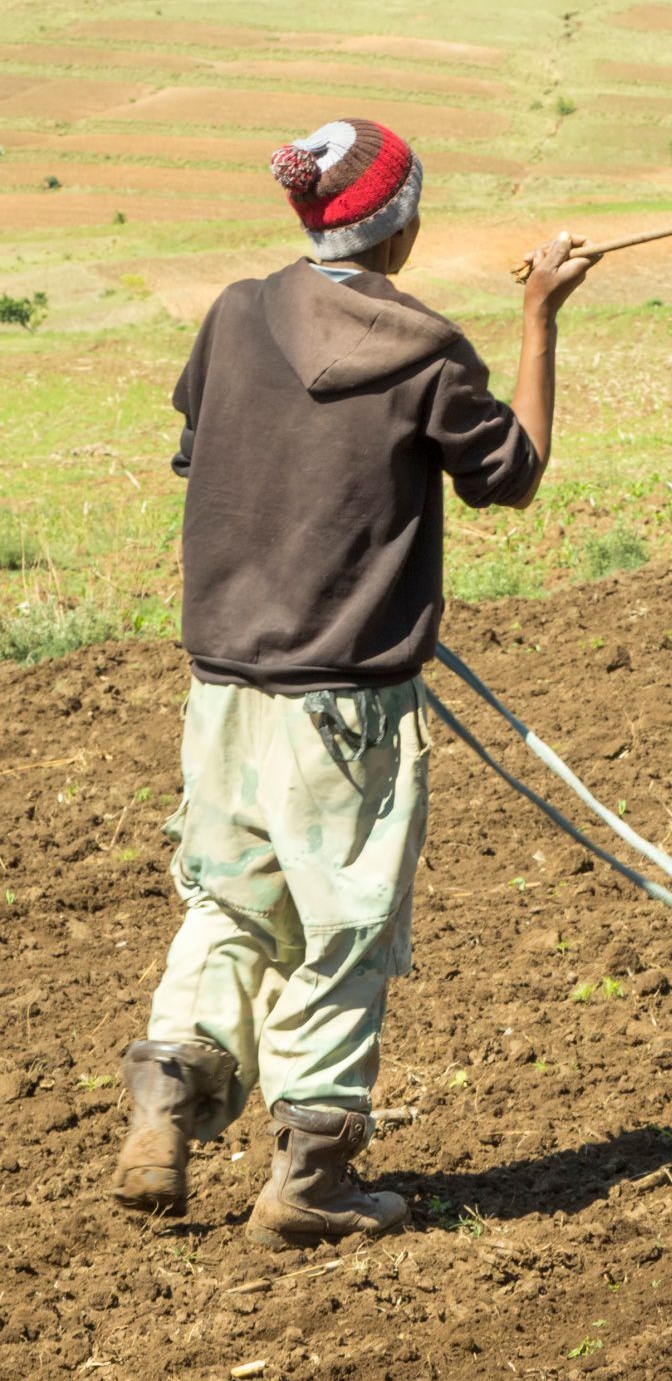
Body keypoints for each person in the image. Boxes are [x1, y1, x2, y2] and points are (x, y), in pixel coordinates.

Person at [110, 117, 597, 1248]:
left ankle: (168, 1101)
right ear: (402, 225)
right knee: (344, 927)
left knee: (227, 900)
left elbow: (203, 453)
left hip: (224, 686)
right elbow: (511, 477)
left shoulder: (236, 314)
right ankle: (312, 1182)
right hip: (348, 705)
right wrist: (537, 318)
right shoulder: (425, 351)